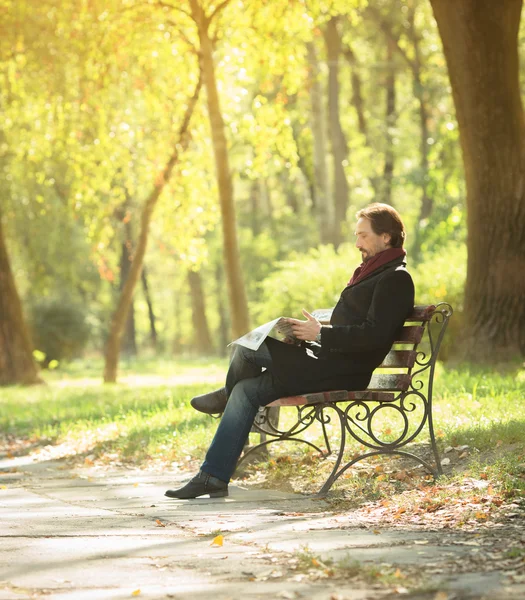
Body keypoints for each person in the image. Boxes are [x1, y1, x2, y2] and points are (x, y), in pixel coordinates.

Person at [165, 203, 415, 499]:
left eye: (362, 235)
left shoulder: (396, 279)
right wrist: (306, 337)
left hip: (343, 373)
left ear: (386, 237)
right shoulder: (372, 272)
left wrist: (321, 333)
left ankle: (224, 396)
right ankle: (212, 477)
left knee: (247, 350)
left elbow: (375, 335)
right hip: (324, 364)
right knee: (245, 390)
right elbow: (352, 329)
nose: (356, 243)